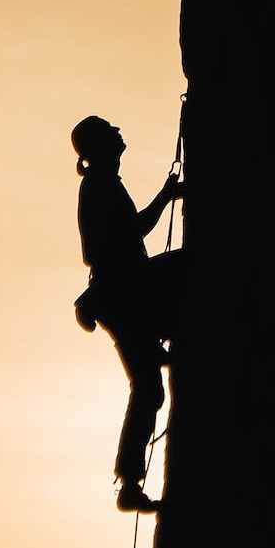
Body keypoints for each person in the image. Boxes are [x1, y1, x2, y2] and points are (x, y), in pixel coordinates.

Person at [70, 114, 184, 513]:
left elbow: (130, 233)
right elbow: (127, 235)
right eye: (111, 132)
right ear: (101, 147)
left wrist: (167, 195)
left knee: (149, 387)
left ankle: (130, 482)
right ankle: (129, 483)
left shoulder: (103, 185)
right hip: (123, 295)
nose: (120, 133)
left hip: (123, 295)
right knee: (148, 387)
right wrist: (166, 197)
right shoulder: (99, 187)